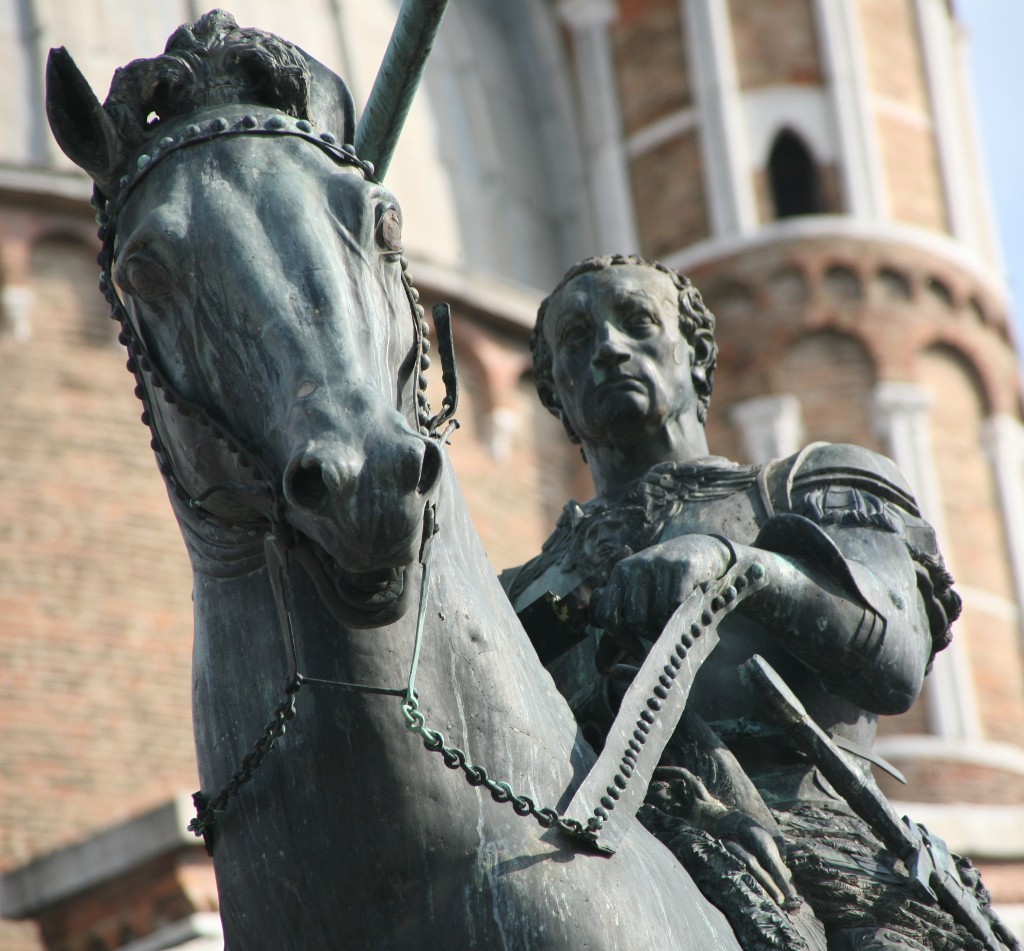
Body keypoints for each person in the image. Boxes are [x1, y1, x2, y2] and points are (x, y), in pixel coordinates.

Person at [501, 255, 992, 951]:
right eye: (577, 340)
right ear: (554, 395)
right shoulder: (520, 593)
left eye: (638, 322)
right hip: (580, 848)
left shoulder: (806, 487)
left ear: (697, 357)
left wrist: (739, 565)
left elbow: (897, 658)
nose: (609, 347)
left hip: (812, 843)